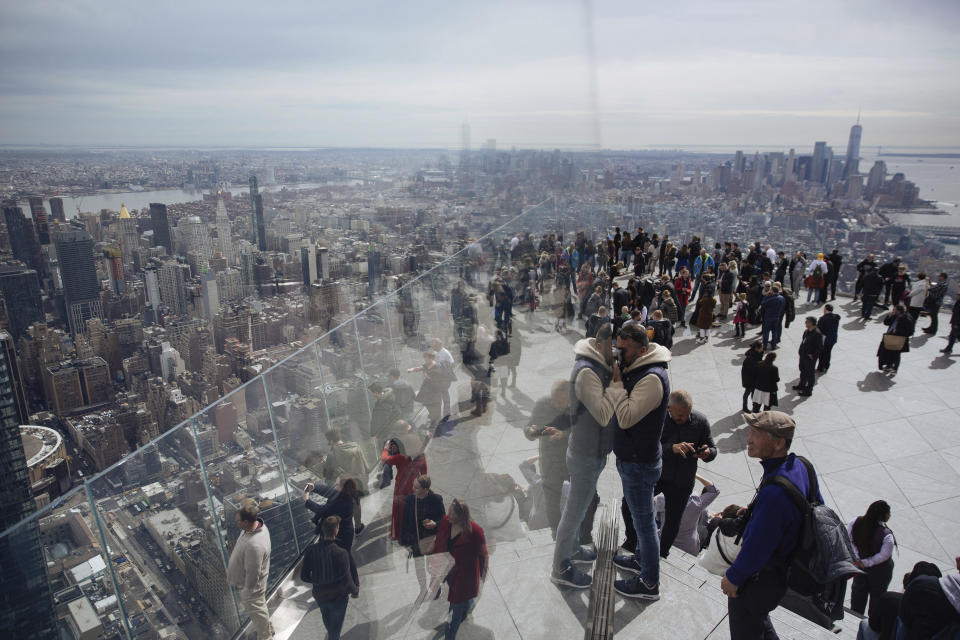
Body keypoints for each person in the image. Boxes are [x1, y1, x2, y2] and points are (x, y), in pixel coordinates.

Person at [720, 411, 821, 639]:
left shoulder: (776, 493)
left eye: (756, 433)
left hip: (761, 577)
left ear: (778, 443)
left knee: (747, 626)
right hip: (782, 573)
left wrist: (733, 577)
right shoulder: (801, 465)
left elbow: (758, 547)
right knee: (759, 619)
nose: (748, 438)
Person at [608, 322, 672, 600]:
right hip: (633, 459)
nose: (619, 356)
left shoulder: (652, 379)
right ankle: (641, 560)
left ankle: (649, 583)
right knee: (639, 519)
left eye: (624, 351)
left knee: (645, 523)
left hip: (639, 463)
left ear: (642, 350)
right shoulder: (637, 368)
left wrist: (616, 383)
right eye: (617, 349)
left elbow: (625, 417)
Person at [550, 324, 617, 588]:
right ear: (599, 345)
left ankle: (574, 549)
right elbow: (602, 414)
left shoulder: (597, 365)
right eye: (614, 346)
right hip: (585, 453)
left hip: (591, 450)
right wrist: (617, 383)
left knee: (579, 507)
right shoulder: (588, 372)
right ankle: (561, 566)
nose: (618, 352)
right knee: (574, 512)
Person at [654, 390, 716, 558]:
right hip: (658, 475)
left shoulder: (700, 421)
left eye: (688, 414)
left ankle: (662, 553)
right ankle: (633, 541)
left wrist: (707, 452)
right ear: (669, 409)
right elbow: (648, 447)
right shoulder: (658, 418)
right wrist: (671, 448)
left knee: (673, 521)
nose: (685, 418)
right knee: (634, 506)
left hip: (682, 480)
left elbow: (712, 448)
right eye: (680, 415)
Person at [434, 499, 489, 640]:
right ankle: (467, 605)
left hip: (465, 578)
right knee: (464, 602)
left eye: (452, 515)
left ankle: (449, 637)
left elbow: (483, 554)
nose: (448, 516)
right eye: (449, 513)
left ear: (462, 516)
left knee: (454, 613)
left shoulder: (475, 532)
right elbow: (440, 535)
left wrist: (483, 573)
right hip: (450, 572)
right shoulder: (447, 522)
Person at [300, 515, 359, 640]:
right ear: (336, 531)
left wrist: (317, 579)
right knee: (335, 631)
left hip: (320, 596)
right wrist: (355, 591)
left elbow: (304, 576)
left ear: (323, 530)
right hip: (338, 597)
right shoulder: (341, 553)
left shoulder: (311, 550)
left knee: (330, 625)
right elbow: (347, 580)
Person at [227, 500, 274, 640]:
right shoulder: (254, 529)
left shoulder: (255, 545)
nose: (237, 523)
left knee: (258, 613)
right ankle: (267, 629)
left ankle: (265, 637)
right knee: (260, 610)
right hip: (250, 585)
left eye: (238, 521)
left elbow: (253, 572)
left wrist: (247, 590)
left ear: (246, 522)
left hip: (251, 588)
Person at [848, 501, 896, 621]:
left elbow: (850, 541)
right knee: (877, 598)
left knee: (858, 596)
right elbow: (883, 556)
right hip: (880, 572)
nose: (890, 515)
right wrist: (865, 562)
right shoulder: (887, 536)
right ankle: (872, 623)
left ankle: (854, 620)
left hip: (859, 568)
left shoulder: (855, 522)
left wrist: (858, 559)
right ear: (882, 516)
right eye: (888, 513)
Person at [400, 475, 445, 595]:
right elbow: (405, 522)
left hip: (431, 540)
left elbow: (444, 520)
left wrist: (435, 524)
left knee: (432, 567)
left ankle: (435, 587)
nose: (413, 489)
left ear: (426, 489)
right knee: (419, 567)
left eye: (417, 487)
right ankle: (423, 589)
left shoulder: (436, 499)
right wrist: (405, 542)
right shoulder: (410, 500)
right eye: (413, 486)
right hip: (416, 540)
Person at [898, 554, 960, 640]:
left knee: (904, 624)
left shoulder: (920, 583)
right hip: (949, 609)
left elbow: (958, 559)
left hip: (927, 587)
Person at [654, 474, 719, 555]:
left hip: (662, 541)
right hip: (688, 547)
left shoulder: (662, 499)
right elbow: (714, 490)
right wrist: (696, 475)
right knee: (703, 530)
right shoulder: (696, 504)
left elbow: (657, 516)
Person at [381, 435, 428, 540]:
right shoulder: (421, 456)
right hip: (414, 487)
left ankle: (399, 533)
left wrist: (385, 448)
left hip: (401, 487)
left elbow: (385, 459)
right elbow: (424, 473)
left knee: (399, 511)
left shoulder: (401, 457)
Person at [323, 429, 369, 533]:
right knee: (356, 504)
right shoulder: (356, 447)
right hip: (356, 482)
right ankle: (358, 527)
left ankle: (345, 530)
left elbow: (326, 473)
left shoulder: (332, 454)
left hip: (343, 485)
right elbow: (365, 466)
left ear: (331, 441)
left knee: (344, 508)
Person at [303, 476, 359, 551]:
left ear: (343, 488)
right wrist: (314, 487)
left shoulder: (340, 502)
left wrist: (307, 500)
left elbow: (322, 510)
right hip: (345, 533)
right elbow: (329, 491)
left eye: (337, 485)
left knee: (342, 558)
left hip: (340, 536)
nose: (334, 486)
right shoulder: (345, 494)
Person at [409, 351, 445, 429]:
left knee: (434, 406)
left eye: (426, 358)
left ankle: (435, 423)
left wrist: (427, 377)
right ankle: (434, 419)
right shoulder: (427, 365)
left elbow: (438, 380)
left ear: (431, 358)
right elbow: (421, 368)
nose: (425, 359)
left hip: (435, 391)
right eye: (424, 357)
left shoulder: (437, 367)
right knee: (429, 405)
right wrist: (412, 369)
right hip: (427, 390)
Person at [878, 304, 914, 373]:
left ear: (899, 311)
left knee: (896, 354)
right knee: (887, 352)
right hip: (890, 337)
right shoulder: (895, 316)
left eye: (894, 310)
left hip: (899, 339)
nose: (893, 311)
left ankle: (895, 368)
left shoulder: (907, 318)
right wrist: (889, 316)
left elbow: (910, 331)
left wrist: (898, 331)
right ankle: (888, 365)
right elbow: (886, 323)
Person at [794, 316, 822, 397]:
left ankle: (808, 390)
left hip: (809, 358)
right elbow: (803, 341)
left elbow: (819, 348)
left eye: (807, 322)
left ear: (811, 323)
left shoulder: (817, 334)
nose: (805, 323)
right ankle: (801, 385)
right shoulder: (806, 331)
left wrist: (812, 355)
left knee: (810, 374)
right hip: (803, 355)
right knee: (803, 371)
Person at [430, 338, 456, 420]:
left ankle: (446, 413)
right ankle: (438, 414)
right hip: (437, 378)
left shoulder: (445, 352)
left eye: (434, 345)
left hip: (444, 379)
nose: (432, 347)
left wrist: (445, 372)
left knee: (444, 394)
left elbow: (452, 364)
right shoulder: (435, 352)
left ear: (439, 345)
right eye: (432, 346)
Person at [816, 304, 840, 374]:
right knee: (828, 353)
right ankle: (826, 366)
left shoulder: (824, 319)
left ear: (826, 309)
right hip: (833, 338)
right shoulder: (835, 317)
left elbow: (819, 329)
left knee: (822, 354)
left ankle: (820, 368)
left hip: (825, 339)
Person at [740, 340, 763, 412]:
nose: (762, 349)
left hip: (753, 378)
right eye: (761, 348)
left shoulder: (757, 354)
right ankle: (745, 407)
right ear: (756, 348)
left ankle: (754, 407)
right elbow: (753, 368)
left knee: (752, 393)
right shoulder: (750, 358)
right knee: (748, 393)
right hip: (749, 379)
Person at [943, 284, 960, 354]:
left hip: (957, 322)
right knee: (954, 335)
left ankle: (948, 348)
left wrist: (956, 323)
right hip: (956, 321)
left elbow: (957, 313)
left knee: (953, 336)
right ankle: (949, 348)